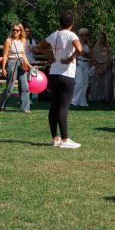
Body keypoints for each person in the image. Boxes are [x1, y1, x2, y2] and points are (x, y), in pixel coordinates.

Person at [36, 11, 83, 148]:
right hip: (67, 74)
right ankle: (65, 140)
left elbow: (39, 46)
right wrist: (70, 58)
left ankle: (54, 138)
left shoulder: (54, 35)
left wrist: (51, 54)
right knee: (64, 107)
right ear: (72, 23)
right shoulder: (71, 35)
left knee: (54, 106)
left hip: (54, 74)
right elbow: (79, 49)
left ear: (60, 22)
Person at [0, 23, 31, 113]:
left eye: (17, 30)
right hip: (12, 62)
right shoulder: (8, 41)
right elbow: (5, 56)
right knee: (10, 87)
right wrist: (3, 68)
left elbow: (23, 54)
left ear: (21, 31)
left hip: (22, 63)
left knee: (25, 86)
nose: (15, 32)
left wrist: (28, 64)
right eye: (13, 30)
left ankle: (25, 108)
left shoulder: (23, 40)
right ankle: (1, 106)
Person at [89, 32, 114, 106]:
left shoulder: (109, 48)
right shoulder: (94, 49)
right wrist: (98, 69)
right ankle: (102, 101)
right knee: (100, 84)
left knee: (108, 83)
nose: (101, 40)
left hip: (107, 67)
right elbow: (93, 60)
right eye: (99, 38)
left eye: (102, 38)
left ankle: (110, 100)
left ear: (105, 39)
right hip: (98, 67)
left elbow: (110, 60)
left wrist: (105, 69)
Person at [71, 28, 92, 106]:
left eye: (88, 35)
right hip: (79, 63)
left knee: (85, 84)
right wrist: (87, 54)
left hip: (86, 64)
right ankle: (73, 101)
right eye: (86, 35)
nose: (87, 37)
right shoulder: (78, 43)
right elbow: (82, 53)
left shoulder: (86, 45)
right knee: (79, 82)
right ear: (82, 36)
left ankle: (82, 101)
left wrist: (86, 54)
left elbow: (90, 55)